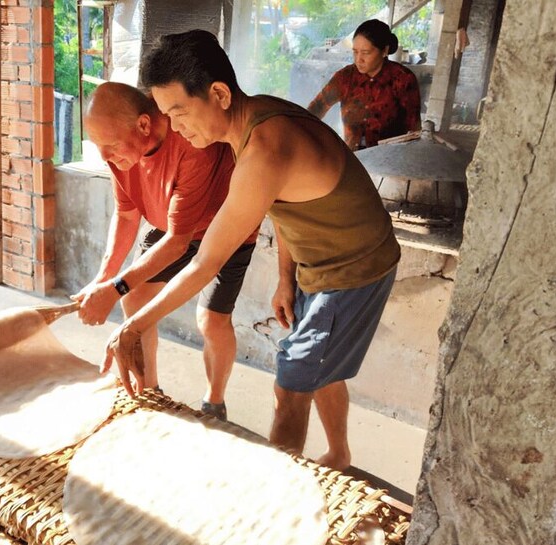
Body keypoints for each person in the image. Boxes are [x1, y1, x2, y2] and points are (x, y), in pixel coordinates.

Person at [102, 30, 399, 470]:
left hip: (354, 268)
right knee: (321, 366)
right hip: (319, 261)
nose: (178, 128)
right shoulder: (255, 116)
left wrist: (134, 323)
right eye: (167, 115)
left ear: (219, 93)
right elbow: (285, 210)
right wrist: (285, 279)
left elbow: (206, 262)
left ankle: (274, 501)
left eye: (180, 112)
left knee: (291, 383)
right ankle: (339, 454)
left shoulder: (263, 149)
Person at [72, 82, 257, 421]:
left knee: (212, 321)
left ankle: (214, 401)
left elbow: (177, 242)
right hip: (168, 222)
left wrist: (113, 289)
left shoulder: (190, 143)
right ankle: (148, 391)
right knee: (134, 295)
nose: (104, 157)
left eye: (109, 145)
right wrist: (104, 279)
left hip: (224, 228)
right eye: (99, 146)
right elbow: (127, 215)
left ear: (144, 125)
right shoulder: (118, 153)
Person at [307, 19, 421, 150]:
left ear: (384, 51)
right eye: (355, 51)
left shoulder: (403, 79)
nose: (358, 59)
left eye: (366, 53)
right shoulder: (345, 77)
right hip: (352, 157)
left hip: (389, 159)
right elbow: (317, 108)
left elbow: (413, 131)